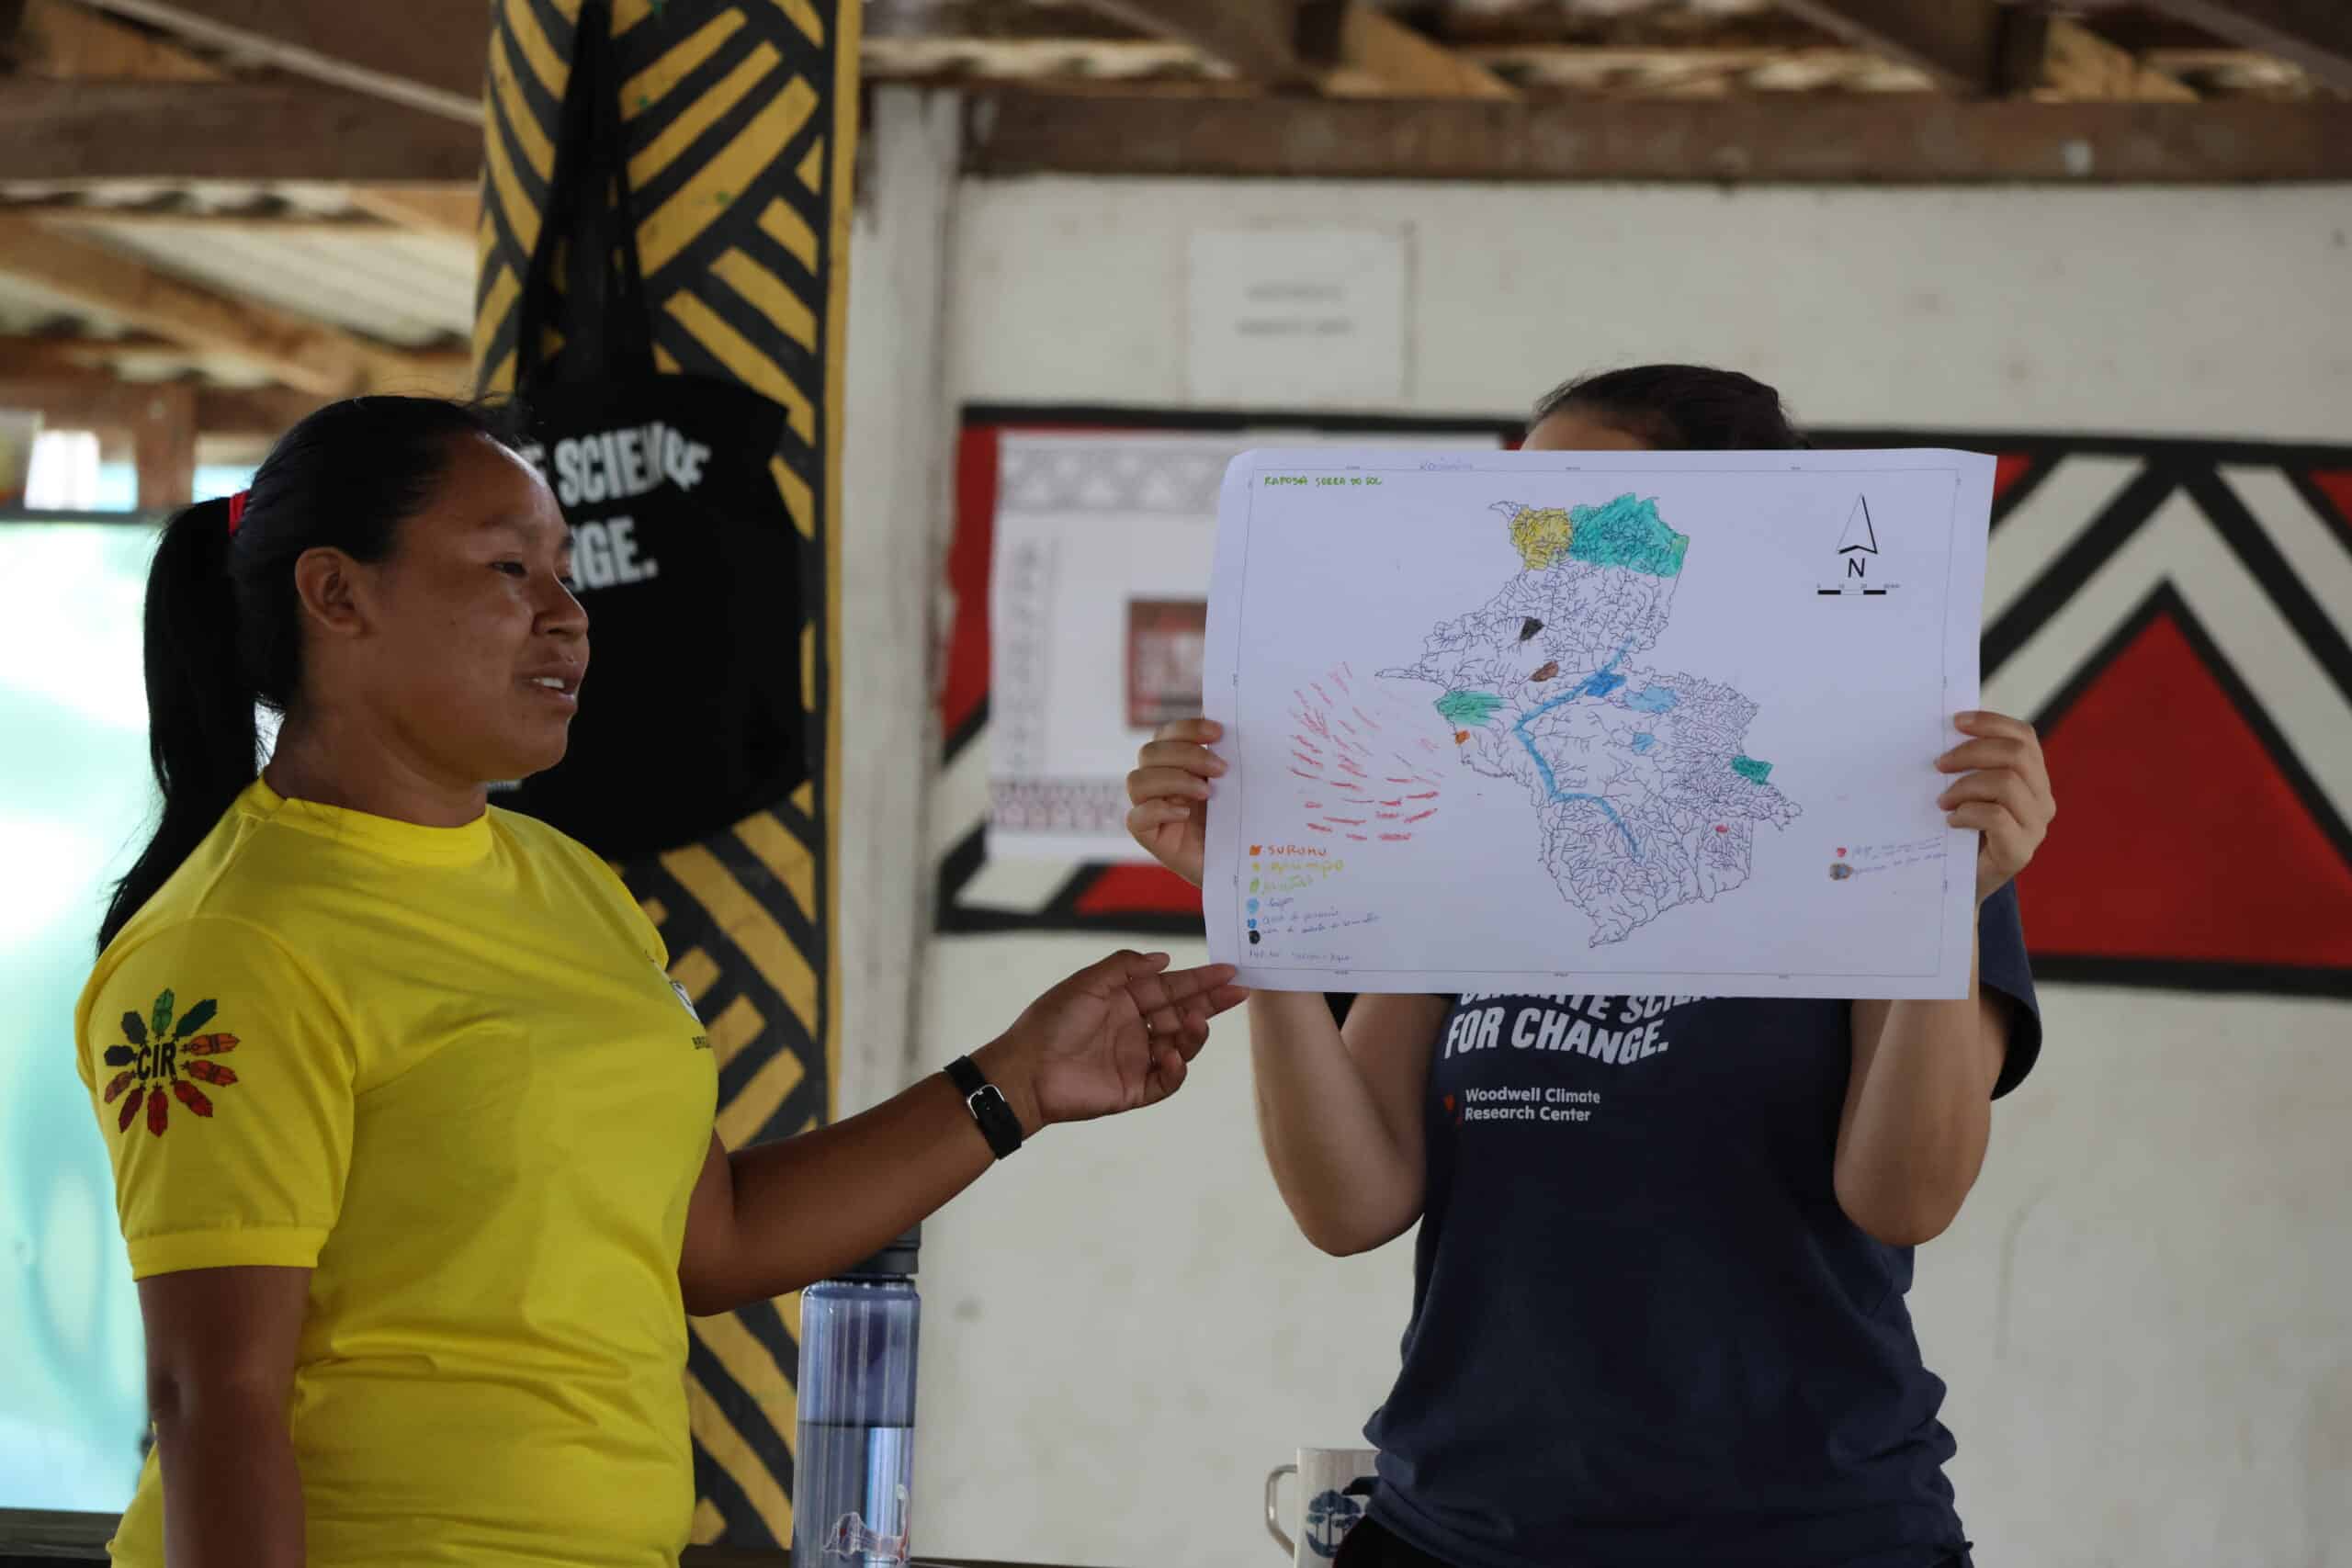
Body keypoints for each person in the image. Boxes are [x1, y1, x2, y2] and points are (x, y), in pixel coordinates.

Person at [76, 396, 1246, 1568]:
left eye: (566, 571)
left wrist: (1017, 1081)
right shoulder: (236, 943)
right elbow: (212, 1395)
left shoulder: (568, 883)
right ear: (336, 595)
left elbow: (711, 1242)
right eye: (507, 568)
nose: (567, 616)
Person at [1126, 366, 2052, 1568]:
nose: (1542, 555)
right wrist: (1249, 901)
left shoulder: (1895, 819)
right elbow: (1349, 1201)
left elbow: (1907, 1195)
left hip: (1818, 1537)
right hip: (1452, 1531)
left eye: (1588, 513)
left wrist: (1945, 904)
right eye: (1530, 510)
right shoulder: (1481, 808)